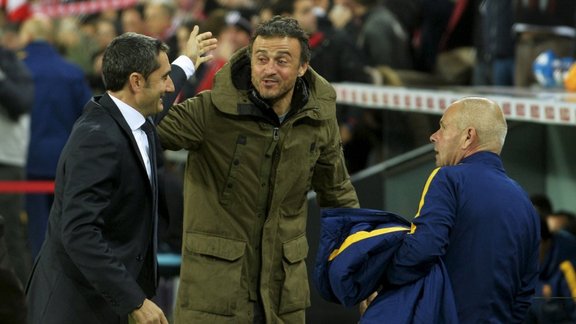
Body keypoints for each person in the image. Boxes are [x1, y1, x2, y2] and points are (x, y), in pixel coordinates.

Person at [157, 16, 359, 323]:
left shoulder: (318, 119)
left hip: (282, 297)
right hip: (214, 298)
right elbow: (145, 123)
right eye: (261, 59)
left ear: (303, 67)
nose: (269, 69)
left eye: (282, 60)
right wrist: (182, 66)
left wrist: (364, 271)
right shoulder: (211, 110)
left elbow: (339, 195)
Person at [25, 28, 217, 324]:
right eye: (163, 78)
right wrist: (134, 300)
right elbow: (79, 232)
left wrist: (187, 61)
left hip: (103, 303)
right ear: (136, 82)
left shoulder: (135, 113)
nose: (169, 88)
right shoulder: (97, 139)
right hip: (74, 309)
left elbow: (164, 94)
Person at [384, 97, 540, 323]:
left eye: (443, 127)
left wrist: (384, 280)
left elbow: (422, 250)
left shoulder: (448, 178)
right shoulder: (524, 201)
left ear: (468, 136)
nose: (434, 136)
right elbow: (525, 290)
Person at [19, 16, 93, 258]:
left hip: (28, 159)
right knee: (65, 228)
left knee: (36, 230)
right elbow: (88, 114)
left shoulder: (19, 70)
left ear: (27, 37)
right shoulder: (71, 71)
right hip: (65, 158)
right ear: (50, 39)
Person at [0, 44, 34, 286]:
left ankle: (23, 306)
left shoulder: (11, 64)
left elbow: (21, 102)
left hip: (7, 162)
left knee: (10, 236)